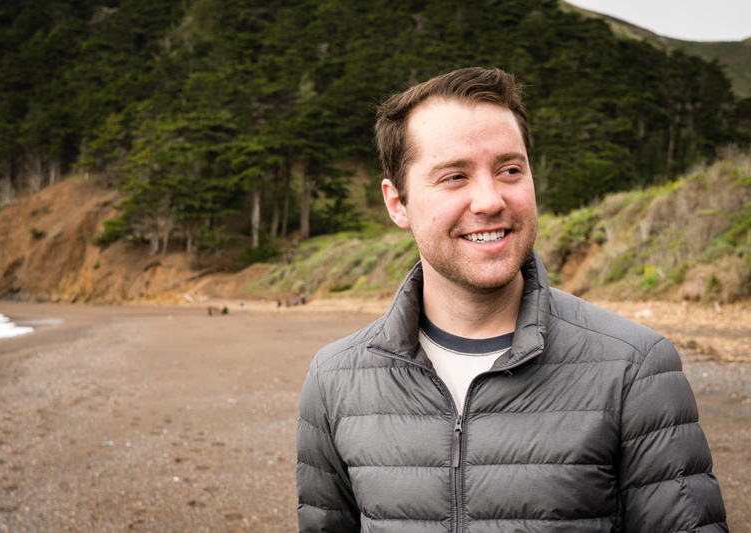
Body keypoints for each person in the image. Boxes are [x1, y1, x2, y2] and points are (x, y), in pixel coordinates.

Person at [296, 67, 728, 532]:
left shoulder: (636, 368)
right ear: (397, 202)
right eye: (454, 176)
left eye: (510, 170)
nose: (489, 200)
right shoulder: (334, 380)